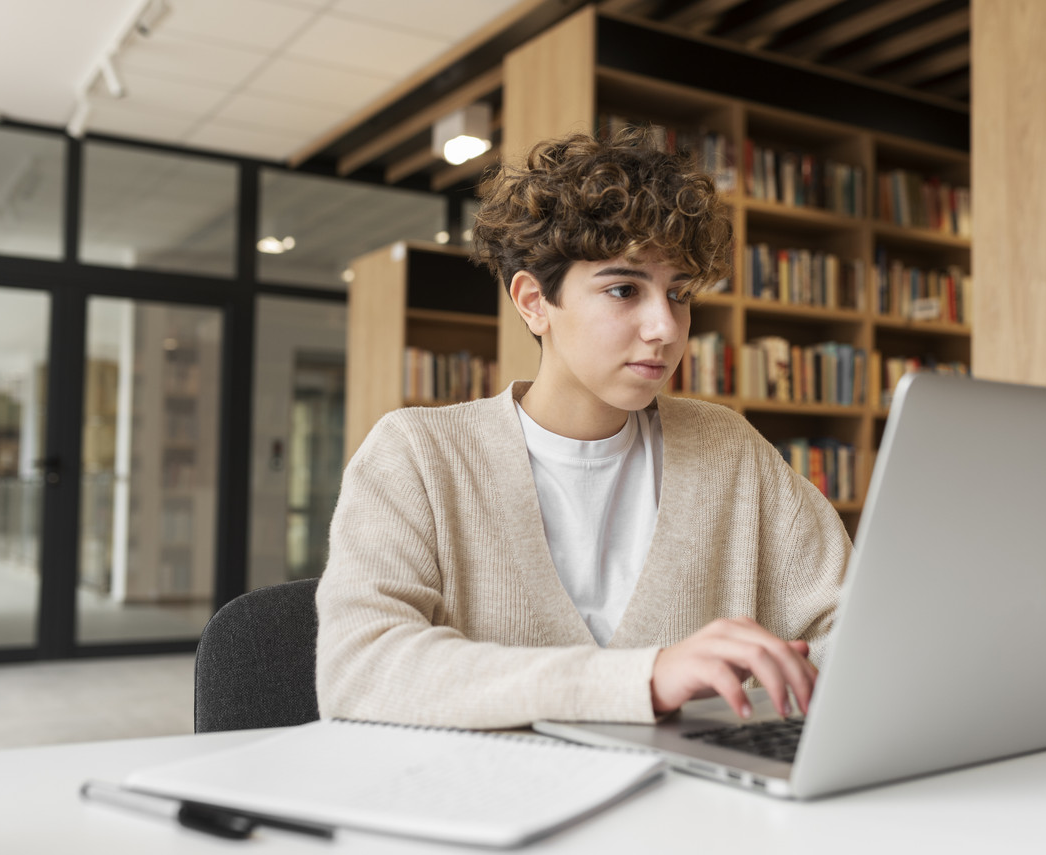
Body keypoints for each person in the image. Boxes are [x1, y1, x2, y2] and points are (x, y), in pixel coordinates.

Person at [315, 129, 850, 730]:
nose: (665, 328)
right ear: (533, 302)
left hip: (694, 810)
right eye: (624, 289)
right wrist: (640, 680)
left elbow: (853, 630)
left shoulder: (728, 448)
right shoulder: (418, 454)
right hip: (493, 806)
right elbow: (358, 670)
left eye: (679, 294)